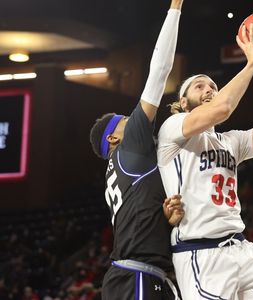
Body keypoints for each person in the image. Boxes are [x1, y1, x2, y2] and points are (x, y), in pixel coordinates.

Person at [157, 23, 253, 300]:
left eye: (213, 85)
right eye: (199, 86)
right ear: (184, 104)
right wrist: (251, 64)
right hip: (201, 252)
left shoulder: (232, 141)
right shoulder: (173, 130)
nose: (209, 88)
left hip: (241, 248)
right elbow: (221, 108)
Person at [89, 0, 185, 299]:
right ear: (114, 139)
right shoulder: (130, 147)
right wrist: (175, 9)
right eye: (124, 122)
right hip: (137, 277)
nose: (132, 120)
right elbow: (159, 72)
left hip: (137, 275)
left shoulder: (125, 166)